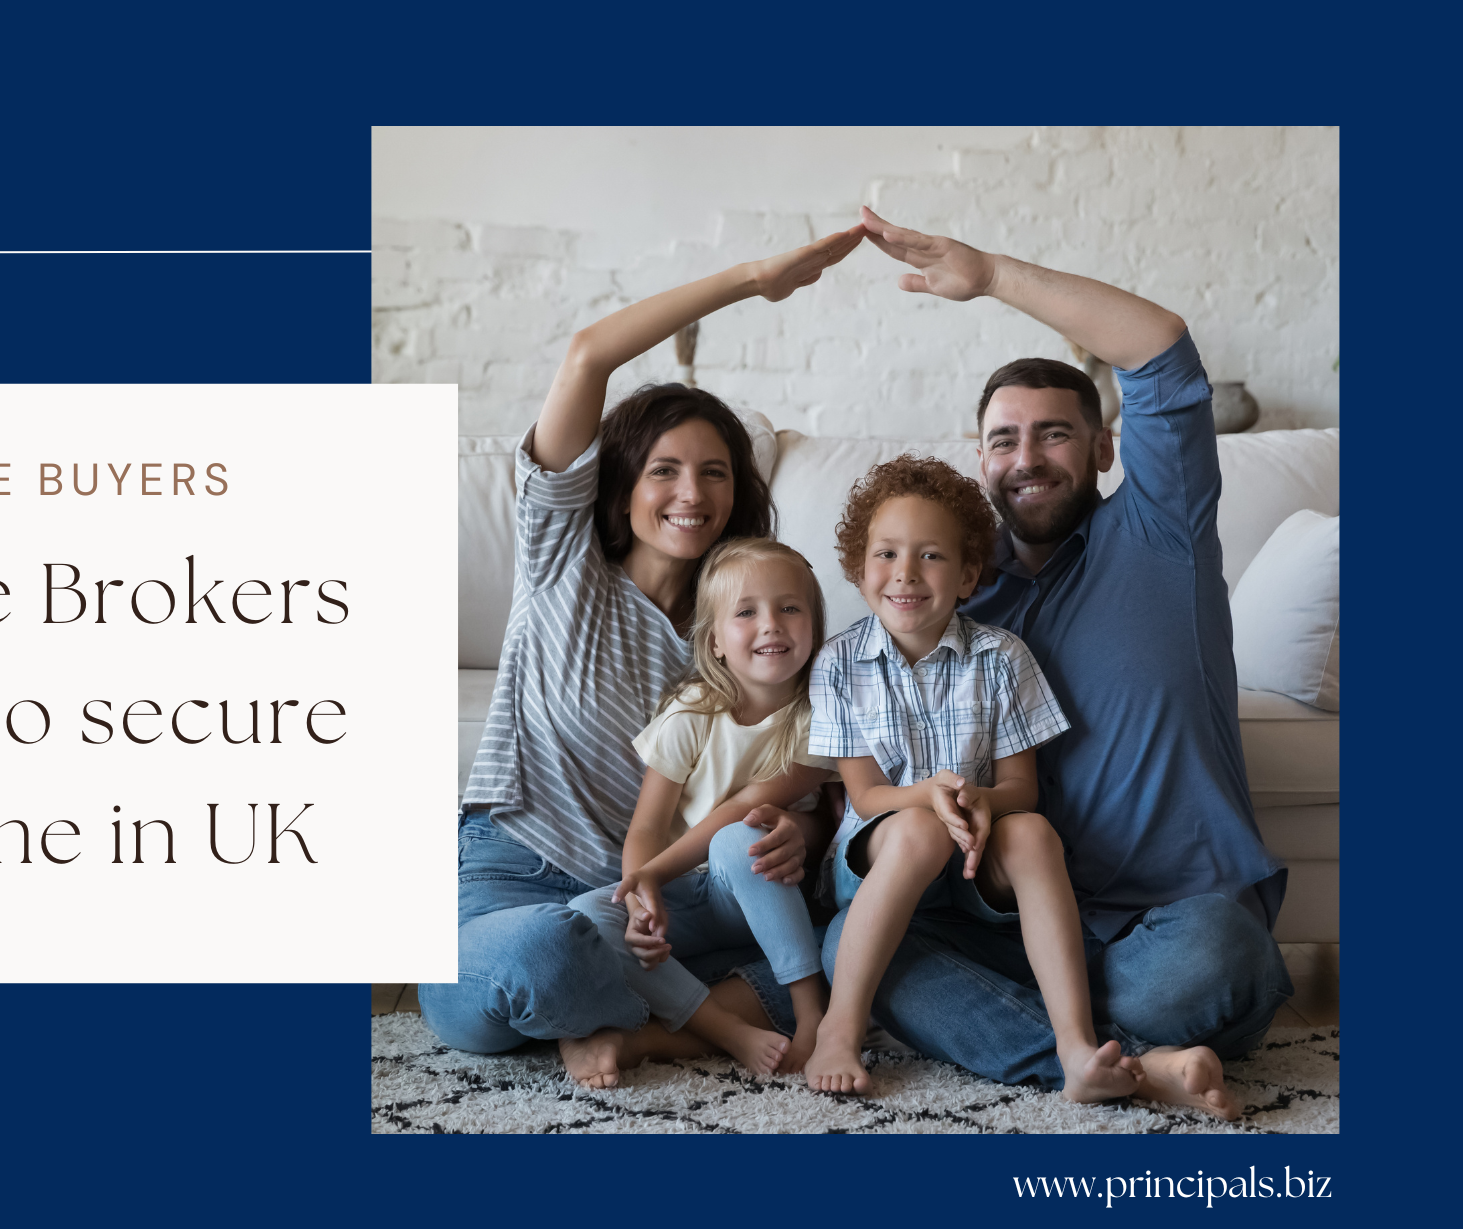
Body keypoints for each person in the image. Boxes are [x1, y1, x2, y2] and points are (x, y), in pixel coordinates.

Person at [821, 207, 1294, 1119]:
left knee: (1215, 971)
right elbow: (851, 720)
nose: (1027, 458)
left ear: (1105, 447)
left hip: (1170, 916)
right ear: (981, 460)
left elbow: (1159, 348)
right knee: (857, 948)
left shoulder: (1162, 530)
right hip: (1008, 916)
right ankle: (1121, 1062)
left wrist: (990, 274)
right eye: (1004, 440)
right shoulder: (951, 590)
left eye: (1055, 434)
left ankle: (1060, 1035)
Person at [421, 225, 868, 1089]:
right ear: (620, 484)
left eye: (715, 473)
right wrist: (752, 276)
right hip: (515, 876)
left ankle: (626, 1024)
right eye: (664, 470)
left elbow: (792, 771)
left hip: (674, 904)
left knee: (854, 961)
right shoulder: (561, 562)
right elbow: (588, 355)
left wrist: (802, 832)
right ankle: (640, 1014)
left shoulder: (750, 631)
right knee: (542, 953)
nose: (691, 494)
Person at [799, 455, 1137, 1106]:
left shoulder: (1002, 658)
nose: (905, 574)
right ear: (858, 568)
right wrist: (929, 797)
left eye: (930, 557)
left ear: (968, 576)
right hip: (877, 856)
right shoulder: (839, 662)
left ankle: (1075, 1046)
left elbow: (1021, 790)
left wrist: (979, 800)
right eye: (887, 554)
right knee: (920, 829)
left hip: (974, 859)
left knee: (1034, 833)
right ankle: (840, 1029)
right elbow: (866, 798)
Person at [564, 539, 835, 1079]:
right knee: (591, 917)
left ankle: (811, 1016)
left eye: (789, 607)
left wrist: (654, 872)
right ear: (715, 642)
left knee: (742, 837)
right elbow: (646, 827)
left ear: (814, 626)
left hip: (764, 890)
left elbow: (748, 805)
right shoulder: (692, 713)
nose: (771, 624)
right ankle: (724, 1029)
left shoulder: (822, 715)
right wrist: (641, 895)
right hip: (693, 894)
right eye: (746, 612)